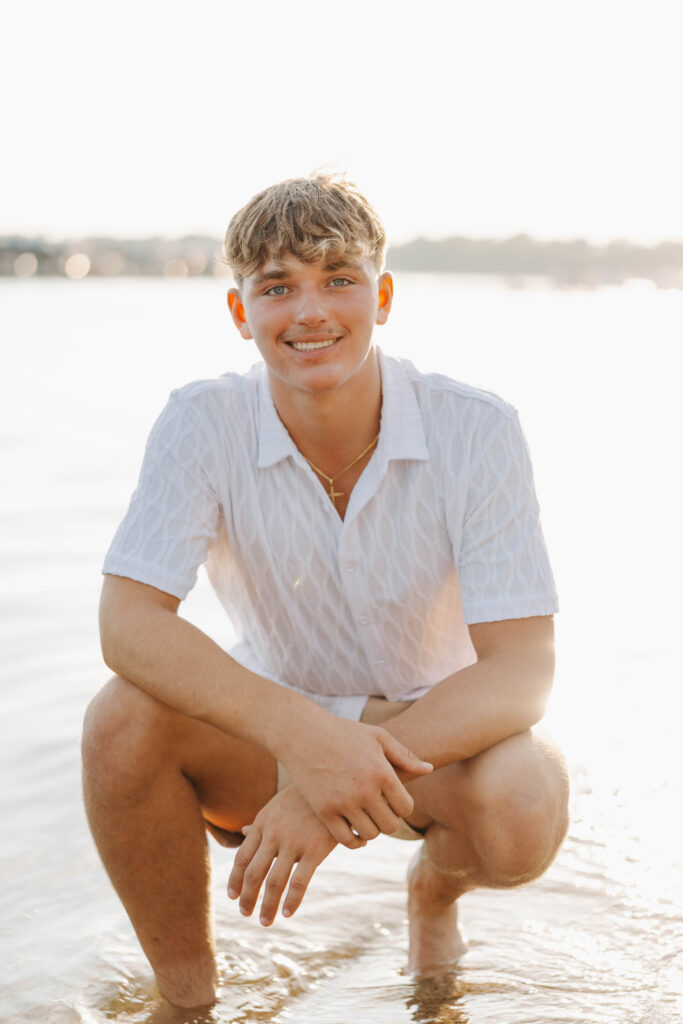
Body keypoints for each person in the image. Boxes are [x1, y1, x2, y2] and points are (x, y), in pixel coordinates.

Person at [82, 174, 569, 1011]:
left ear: (381, 297)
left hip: (439, 741)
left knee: (523, 804)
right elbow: (126, 625)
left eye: (338, 279)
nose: (309, 312)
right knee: (119, 720)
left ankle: (434, 892)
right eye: (276, 287)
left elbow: (522, 674)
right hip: (273, 731)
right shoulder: (201, 421)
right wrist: (302, 742)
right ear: (240, 313)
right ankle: (185, 1001)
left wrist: (331, 781)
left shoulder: (475, 425)